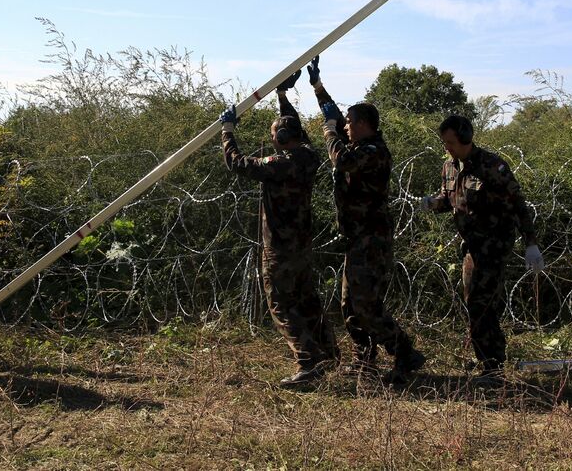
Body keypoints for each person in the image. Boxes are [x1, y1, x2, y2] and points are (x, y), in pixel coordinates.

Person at [219, 69, 339, 389]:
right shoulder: (309, 157)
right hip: (301, 245)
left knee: (282, 305)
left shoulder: (278, 165)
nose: (273, 139)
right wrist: (282, 97)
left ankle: (308, 362)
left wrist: (227, 130)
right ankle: (328, 354)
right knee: (307, 299)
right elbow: (296, 130)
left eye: (274, 135)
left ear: (282, 139)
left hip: (279, 248)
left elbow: (237, 163)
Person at [308, 56, 425, 384]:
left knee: (366, 304)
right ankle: (365, 359)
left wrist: (329, 132)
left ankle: (404, 353)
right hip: (357, 237)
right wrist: (318, 87)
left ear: (363, 124)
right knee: (350, 304)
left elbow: (342, 160)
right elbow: (333, 115)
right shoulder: (359, 143)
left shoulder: (374, 151)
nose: (345, 127)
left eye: (350, 123)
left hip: (371, 238)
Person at [420, 114, 543, 385]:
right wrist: (434, 203)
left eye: (451, 142)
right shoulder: (450, 166)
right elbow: (450, 198)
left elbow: (518, 204)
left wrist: (531, 243)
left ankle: (493, 367)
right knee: (473, 303)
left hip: (494, 246)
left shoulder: (492, 166)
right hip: (471, 248)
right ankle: (488, 362)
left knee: (482, 304)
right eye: (444, 143)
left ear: (466, 138)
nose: (447, 147)